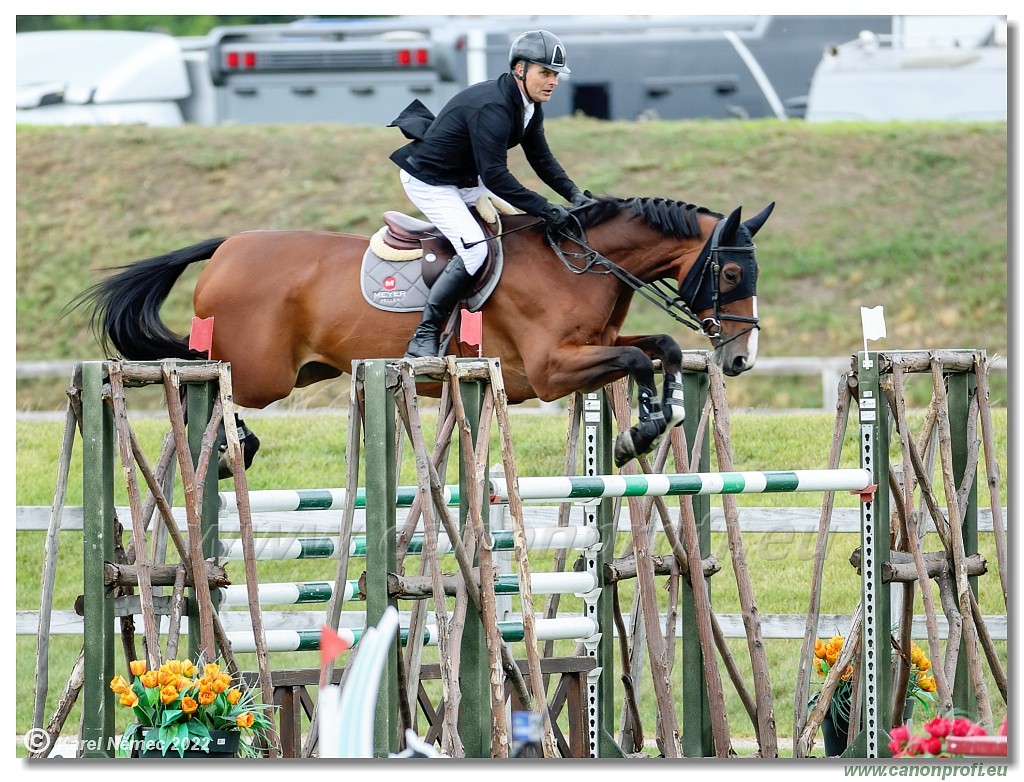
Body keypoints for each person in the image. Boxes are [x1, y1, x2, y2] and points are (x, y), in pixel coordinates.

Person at [389, 29, 592, 359]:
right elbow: (496, 176)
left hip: (466, 180)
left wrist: (574, 195)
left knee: (515, 237)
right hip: (431, 182)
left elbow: (541, 158)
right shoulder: (493, 107)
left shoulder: (528, 105)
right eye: (545, 73)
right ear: (520, 69)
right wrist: (545, 208)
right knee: (475, 251)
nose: (553, 81)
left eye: (556, 75)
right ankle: (424, 334)